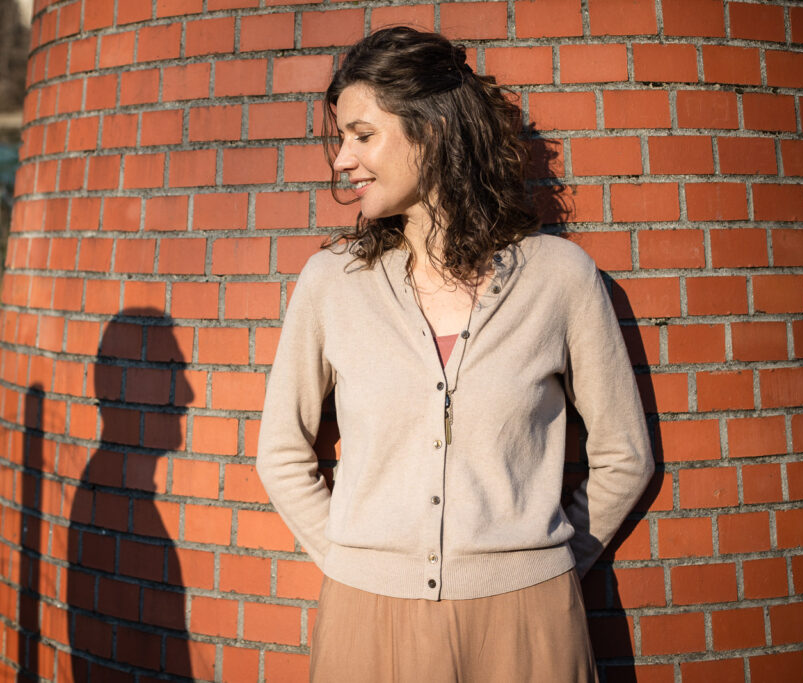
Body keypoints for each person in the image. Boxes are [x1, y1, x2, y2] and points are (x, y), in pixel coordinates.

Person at [256, 26, 654, 683]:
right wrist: (357, 559)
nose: (341, 162)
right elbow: (280, 450)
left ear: (431, 130)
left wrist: (540, 564)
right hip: (367, 623)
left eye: (362, 134)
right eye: (340, 139)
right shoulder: (331, 284)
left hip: (529, 627)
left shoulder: (559, 277)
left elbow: (624, 454)